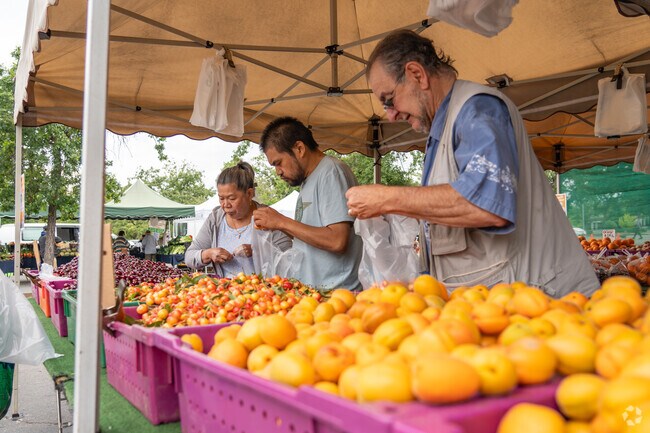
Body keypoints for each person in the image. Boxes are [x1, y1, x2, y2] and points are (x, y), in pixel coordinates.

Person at [345, 30, 599, 297]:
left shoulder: (476, 110)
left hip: (544, 301)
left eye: (389, 99)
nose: (392, 115)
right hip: (500, 303)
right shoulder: (441, 130)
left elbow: (486, 205)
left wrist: (387, 199)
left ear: (416, 74)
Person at [253, 117, 363, 290]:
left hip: (337, 294)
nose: (278, 172)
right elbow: (309, 237)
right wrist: (277, 225)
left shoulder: (330, 172)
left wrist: (281, 221)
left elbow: (337, 240)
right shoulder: (308, 180)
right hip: (315, 292)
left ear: (299, 148)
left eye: (278, 163)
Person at [185, 162, 292, 277]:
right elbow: (189, 256)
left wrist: (257, 251)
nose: (225, 205)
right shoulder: (215, 219)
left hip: (262, 292)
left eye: (232, 198)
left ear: (249, 194)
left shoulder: (269, 217)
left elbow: (288, 260)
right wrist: (208, 253)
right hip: (223, 292)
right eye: (221, 198)